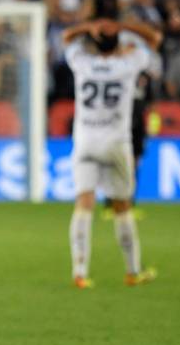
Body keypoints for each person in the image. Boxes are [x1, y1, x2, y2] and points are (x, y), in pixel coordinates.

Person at [62, 18, 161, 289]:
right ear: (118, 43)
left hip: (85, 141)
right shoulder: (127, 64)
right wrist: (123, 24)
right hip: (116, 142)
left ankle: (79, 273)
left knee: (84, 204)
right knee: (122, 207)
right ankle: (132, 271)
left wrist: (90, 26)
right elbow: (154, 39)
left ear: (94, 44)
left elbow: (67, 37)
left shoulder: (82, 62)